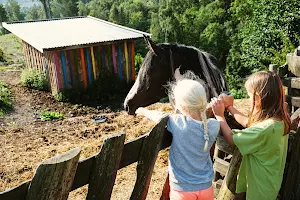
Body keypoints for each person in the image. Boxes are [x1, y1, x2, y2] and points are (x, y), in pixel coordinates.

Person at [135, 71, 220, 200]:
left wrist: (143, 111)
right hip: (206, 187)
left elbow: (160, 116)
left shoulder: (178, 123)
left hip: (182, 190)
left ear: (180, 105)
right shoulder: (213, 126)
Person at [211, 70, 291, 200]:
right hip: (270, 184)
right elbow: (250, 123)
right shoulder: (278, 121)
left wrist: (220, 116)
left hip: (259, 190)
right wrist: (230, 108)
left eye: (249, 96)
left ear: (258, 99)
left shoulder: (265, 129)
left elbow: (232, 139)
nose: (248, 100)